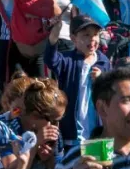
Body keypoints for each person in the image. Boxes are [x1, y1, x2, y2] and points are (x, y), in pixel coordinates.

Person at [46, 14, 111, 148]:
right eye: (86, 35)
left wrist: (102, 79)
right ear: (73, 39)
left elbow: (112, 88)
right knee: (77, 166)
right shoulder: (67, 60)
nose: (92, 39)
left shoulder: (103, 61)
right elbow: (50, 60)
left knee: (100, 166)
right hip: (74, 132)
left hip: (100, 131)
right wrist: (54, 35)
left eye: (95, 34)